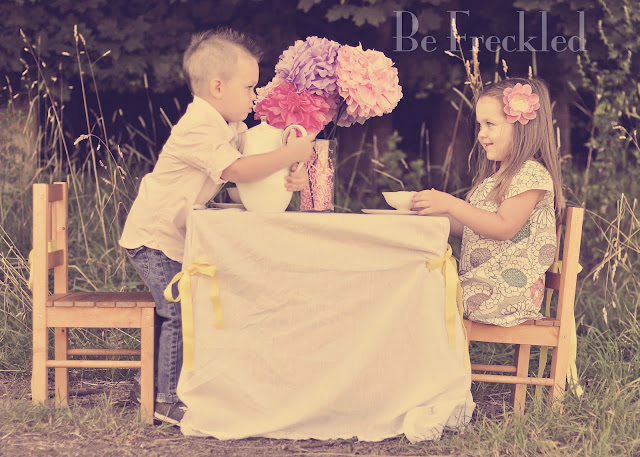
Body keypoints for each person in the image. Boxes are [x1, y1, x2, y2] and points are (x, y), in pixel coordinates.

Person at [119, 27, 314, 424]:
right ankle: (166, 400)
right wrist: (289, 154)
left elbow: (250, 175)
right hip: (154, 236)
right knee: (177, 309)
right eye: (249, 87)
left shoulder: (230, 127)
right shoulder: (198, 127)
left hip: (174, 236)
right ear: (218, 87)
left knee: (187, 307)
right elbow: (237, 169)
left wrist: (290, 174)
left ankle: (167, 384)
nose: (254, 97)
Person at [412, 77, 565, 327]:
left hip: (505, 293)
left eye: (490, 124)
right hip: (484, 283)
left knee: (416, 292)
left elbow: (503, 227)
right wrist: (432, 212)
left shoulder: (530, 175)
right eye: (480, 125)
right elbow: (474, 227)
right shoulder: (498, 178)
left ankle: (426, 351)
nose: (481, 134)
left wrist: (452, 204)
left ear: (522, 128)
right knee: (415, 285)